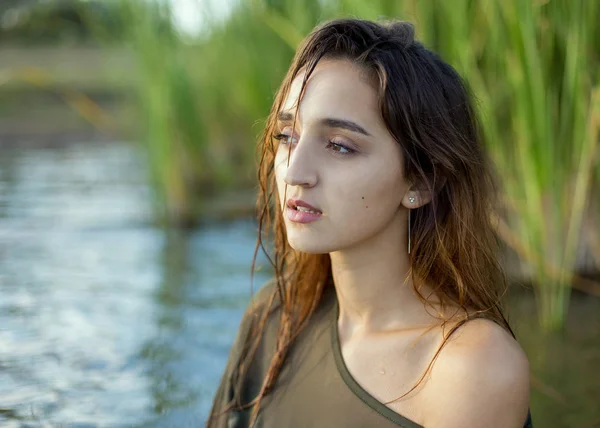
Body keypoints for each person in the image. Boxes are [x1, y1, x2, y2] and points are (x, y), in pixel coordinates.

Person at [207, 18, 533, 428]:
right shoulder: (272, 319)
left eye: (340, 146)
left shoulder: (470, 366)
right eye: (287, 137)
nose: (294, 172)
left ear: (421, 181)